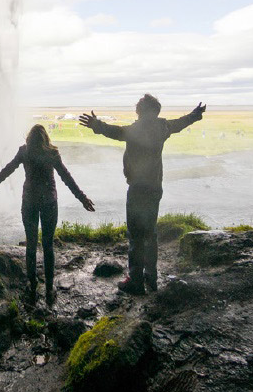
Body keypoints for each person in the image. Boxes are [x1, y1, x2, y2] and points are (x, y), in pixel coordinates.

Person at [79, 95, 205, 295]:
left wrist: (96, 125)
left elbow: (115, 132)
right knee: (151, 233)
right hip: (155, 186)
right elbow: (180, 123)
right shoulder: (162, 127)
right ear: (156, 111)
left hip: (137, 188)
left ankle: (135, 281)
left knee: (136, 236)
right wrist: (195, 115)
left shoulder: (134, 130)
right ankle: (151, 278)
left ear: (139, 111)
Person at [0, 124, 95, 305]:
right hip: (49, 203)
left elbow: (7, 170)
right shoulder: (52, 154)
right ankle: (49, 289)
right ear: (45, 138)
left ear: (29, 138)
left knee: (31, 245)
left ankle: (32, 285)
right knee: (48, 246)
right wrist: (82, 198)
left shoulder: (24, 152)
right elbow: (67, 177)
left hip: (30, 203)